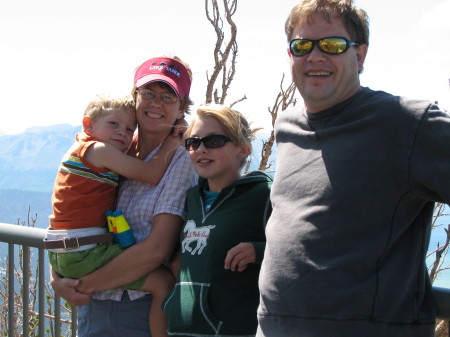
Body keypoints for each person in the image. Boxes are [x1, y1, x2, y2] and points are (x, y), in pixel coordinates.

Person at [257, 1, 450, 336]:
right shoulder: (287, 125)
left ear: (359, 56)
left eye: (332, 45)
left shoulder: (407, 123)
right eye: (302, 45)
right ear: (290, 56)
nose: (315, 56)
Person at [50, 56, 198, 337]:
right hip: (94, 309)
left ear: (181, 108)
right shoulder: (116, 149)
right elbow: (72, 210)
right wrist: (58, 276)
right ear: (136, 98)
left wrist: (81, 284)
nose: (156, 103)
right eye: (148, 93)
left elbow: (155, 251)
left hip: (137, 310)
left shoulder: (180, 160)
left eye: (168, 96)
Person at [162, 104, 272, 336]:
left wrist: (258, 251)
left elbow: (303, 250)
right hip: (182, 330)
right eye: (193, 142)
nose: (200, 149)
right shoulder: (192, 197)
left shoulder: (264, 195)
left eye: (213, 141)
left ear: (242, 150)